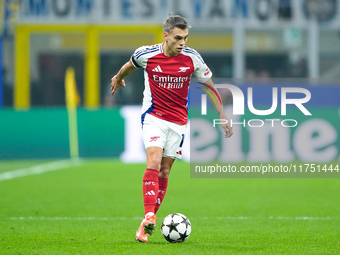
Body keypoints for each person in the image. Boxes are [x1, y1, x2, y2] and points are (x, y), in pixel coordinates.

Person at [111, 14, 233, 243]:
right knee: (154, 163)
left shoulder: (192, 58)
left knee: (165, 172)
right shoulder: (146, 54)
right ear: (165, 36)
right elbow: (129, 66)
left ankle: (147, 222)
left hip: (178, 122)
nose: (183, 43)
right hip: (153, 117)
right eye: (178, 38)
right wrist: (118, 78)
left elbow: (210, 87)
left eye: (185, 38)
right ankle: (149, 214)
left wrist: (223, 116)